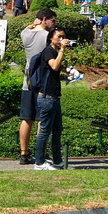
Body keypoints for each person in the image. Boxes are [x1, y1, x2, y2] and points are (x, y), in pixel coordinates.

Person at [19, 9, 57, 165]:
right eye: (53, 21)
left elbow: (27, 29)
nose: (54, 24)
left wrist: (31, 25)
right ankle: (40, 153)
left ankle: (24, 154)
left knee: (26, 118)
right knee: (42, 118)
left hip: (28, 82)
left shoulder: (25, 34)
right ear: (44, 19)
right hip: (43, 83)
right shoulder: (47, 37)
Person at [33, 27, 68, 170]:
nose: (61, 39)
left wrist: (68, 76)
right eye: (59, 36)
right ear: (51, 38)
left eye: (63, 37)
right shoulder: (48, 51)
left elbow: (54, 73)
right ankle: (39, 163)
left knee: (57, 130)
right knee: (45, 131)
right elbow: (53, 66)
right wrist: (62, 50)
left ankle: (58, 161)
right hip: (46, 97)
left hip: (54, 97)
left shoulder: (55, 51)